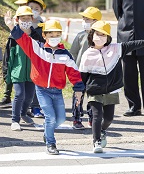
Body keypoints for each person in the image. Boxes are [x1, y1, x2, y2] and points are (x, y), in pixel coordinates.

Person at [5, 16, 85, 155]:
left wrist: (78, 89)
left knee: (60, 119)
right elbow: (23, 40)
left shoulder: (65, 54)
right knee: (50, 117)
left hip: (57, 91)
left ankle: (47, 132)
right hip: (42, 90)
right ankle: (51, 143)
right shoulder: (38, 48)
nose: (54, 37)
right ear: (44, 35)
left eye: (57, 35)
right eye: (51, 35)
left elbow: (74, 72)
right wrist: (12, 26)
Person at [79, 20, 144, 153]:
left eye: (103, 35)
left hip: (111, 90)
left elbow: (131, 45)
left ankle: (103, 131)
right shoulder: (87, 55)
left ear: (108, 38)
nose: (100, 38)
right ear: (92, 35)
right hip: (94, 91)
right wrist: (80, 93)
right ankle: (96, 141)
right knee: (97, 115)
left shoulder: (115, 49)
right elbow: (83, 77)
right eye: (97, 34)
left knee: (109, 118)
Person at [3, 6, 43, 131]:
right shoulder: (13, 37)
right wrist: (6, 73)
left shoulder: (36, 36)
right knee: (19, 94)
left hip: (32, 73)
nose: (26, 21)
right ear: (17, 19)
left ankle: (23, 114)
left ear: (32, 19)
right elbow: (7, 57)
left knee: (30, 96)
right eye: (23, 18)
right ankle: (15, 120)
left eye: (28, 18)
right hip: (17, 71)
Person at [70, 7, 102, 130]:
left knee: (93, 96)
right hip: (80, 71)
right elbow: (73, 53)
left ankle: (92, 117)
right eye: (84, 19)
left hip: (95, 71)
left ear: (96, 21)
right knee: (78, 95)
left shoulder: (101, 37)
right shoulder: (80, 36)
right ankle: (76, 119)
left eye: (87, 19)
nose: (85, 21)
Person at [0, 0, 34, 107]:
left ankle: (29, 105)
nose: (22, 6)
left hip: (29, 54)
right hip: (16, 43)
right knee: (13, 67)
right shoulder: (17, 17)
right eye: (20, 4)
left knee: (28, 84)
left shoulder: (34, 20)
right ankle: (7, 95)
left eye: (25, 4)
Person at [27, 0, 46, 118]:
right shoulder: (22, 24)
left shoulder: (43, 26)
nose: (33, 10)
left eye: (36, 8)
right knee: (24, 85)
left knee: (36, 83)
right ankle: (24, 108)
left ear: (41, 11)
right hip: (23, 60)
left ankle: (35, 107)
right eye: (31, 8)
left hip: (38, 59)